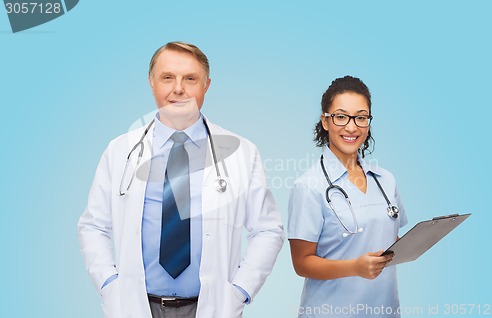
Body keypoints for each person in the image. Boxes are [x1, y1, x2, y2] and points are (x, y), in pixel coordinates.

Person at [78, 41, 284, 318]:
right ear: (151, 82)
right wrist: (109, 284)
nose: (178, 88)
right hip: (136, 305)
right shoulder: (119, 151)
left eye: (190, 79)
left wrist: (240, 291)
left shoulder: (241, 152)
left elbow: (268, 230)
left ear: (206, 85)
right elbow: (93, 226)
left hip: (211, 306)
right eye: (167, 78)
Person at [288, 76, 407, 317]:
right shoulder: (309, 186)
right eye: (341, 116)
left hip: (384, 309)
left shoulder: (386, 180)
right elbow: (301, 263)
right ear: (325, 121)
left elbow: (392, 238)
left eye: (361, 117)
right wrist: (355, 267)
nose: (352, 127)